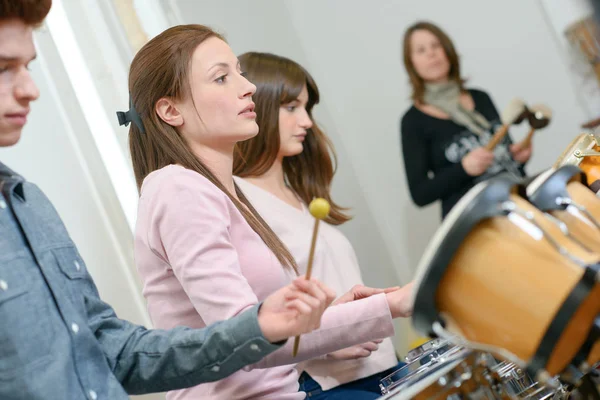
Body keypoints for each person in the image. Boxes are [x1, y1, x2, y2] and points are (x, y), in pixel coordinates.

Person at [0, 1, 336, 399]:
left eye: (28, 67)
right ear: (170, 110)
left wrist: (265, 325)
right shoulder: (177, 188)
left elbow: (114, 352)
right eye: (5, 68)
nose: (30, 89)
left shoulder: (27, 202)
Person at [126, 24, 414, 399]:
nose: (248, 88)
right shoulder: (178, 188)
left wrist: (324, 320)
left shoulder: (216, 190)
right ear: (170, 110)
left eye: (240, 73)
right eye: (221, 78)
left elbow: (265, 332)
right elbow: (242, 337)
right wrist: (392, 304)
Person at [233, 51, 411, 400]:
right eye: (291, 107)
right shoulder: (240, 203)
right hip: (327, 386)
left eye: (307, 108)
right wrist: (326, 345)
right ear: (260, 107)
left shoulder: (300, 195)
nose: (307, 122)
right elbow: (252, 321)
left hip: (384, 367)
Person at [400, 21, 532, 219]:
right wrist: (463, 169)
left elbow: (506, 158)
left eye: (436, 46)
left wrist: (518, 157)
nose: (431, 54)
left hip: (519, 204)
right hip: (475, 222)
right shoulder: (413, 122)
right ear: (412, 64)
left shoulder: (481, 97)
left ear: (447, 51)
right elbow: (420, 194)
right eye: (421, 50)